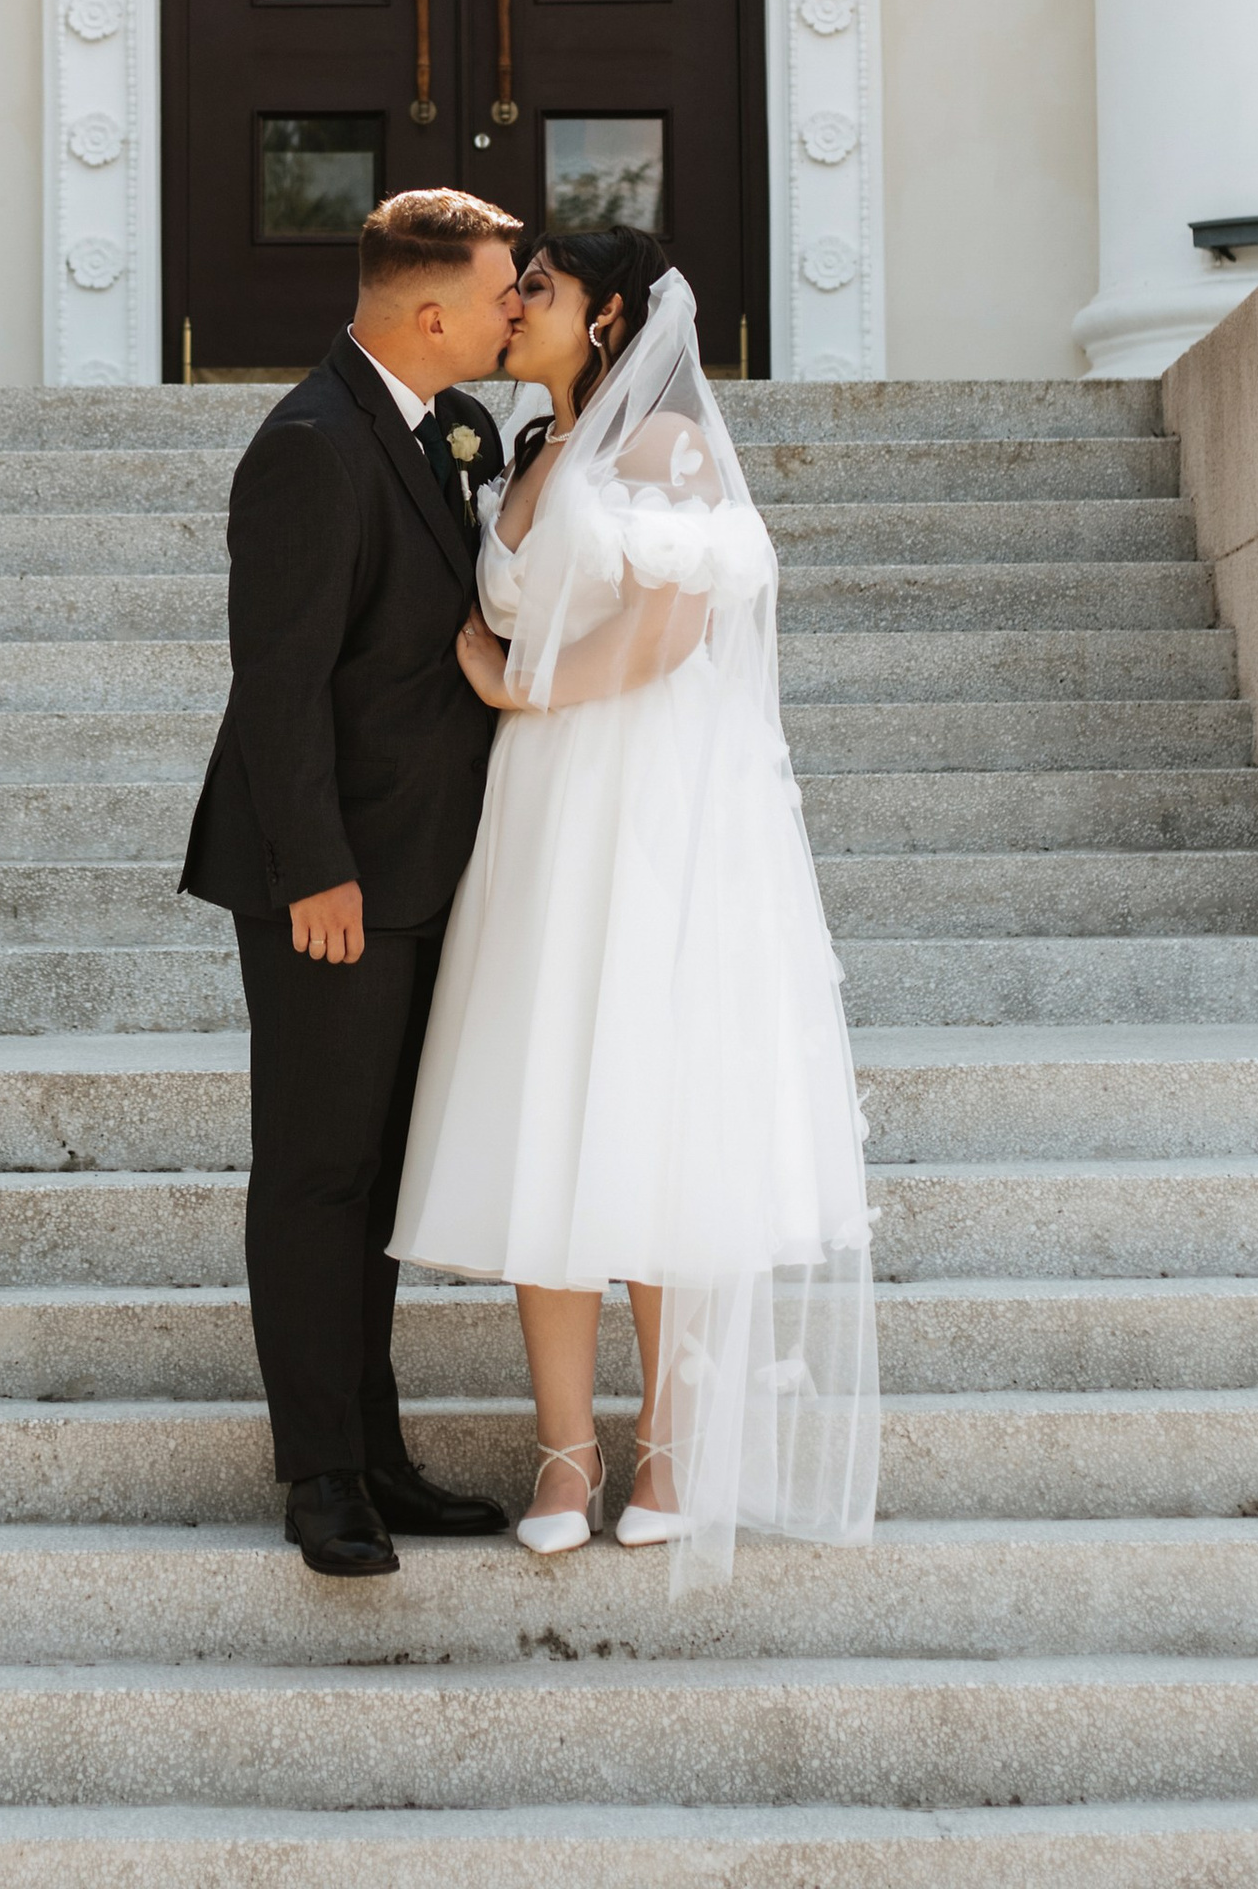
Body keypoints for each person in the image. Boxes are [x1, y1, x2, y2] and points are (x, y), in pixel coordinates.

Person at [390, 225, 878, 1585]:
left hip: (645, 806)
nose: (512, 303)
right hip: (543, 812)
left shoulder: (665, 450)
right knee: (550, 1102)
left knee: (649, 1110)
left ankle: (663, 1442)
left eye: (535, 288)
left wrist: (513, 684)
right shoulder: (530, 454)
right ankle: (564, 1449)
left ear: (607, 317)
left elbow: (670, 631)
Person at [179, 186, 524, 1578]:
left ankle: (378, 1452)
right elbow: (278, 685)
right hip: (329, 881)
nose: (517, 306)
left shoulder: (434, 427)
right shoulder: (311, 446)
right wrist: (314, 869)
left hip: (418, 869)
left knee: (378, 1180)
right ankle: (320, 1475)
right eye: (504, 288)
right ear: (429, 309)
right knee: (319, 1178)